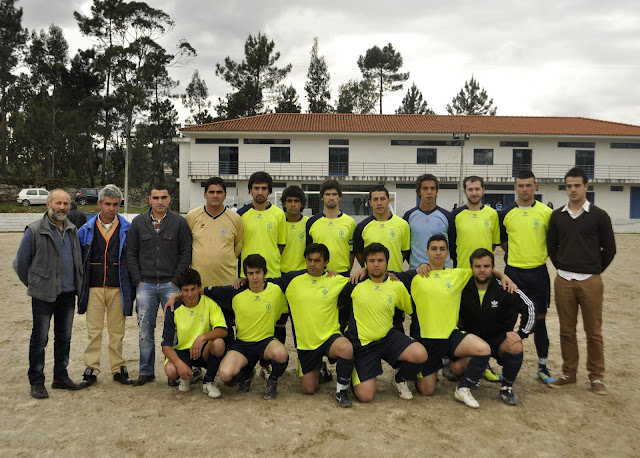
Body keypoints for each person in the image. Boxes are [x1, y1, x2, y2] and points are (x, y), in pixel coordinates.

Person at [395, 234, 515, 409]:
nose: (438, 253)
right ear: (427, 252)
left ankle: (463, 388)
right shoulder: (415, 275)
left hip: (451, 336)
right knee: (427, 391)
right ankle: (415, 371)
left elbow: (481, 270)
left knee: (483, 349)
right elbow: (388, 275)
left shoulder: (458, 274)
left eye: (442, 249)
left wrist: (502, 275)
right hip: (427, 341)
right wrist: (363, 271)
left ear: (447, 253)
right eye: (434, 249)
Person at [168, 255, 289, 400]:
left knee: (281, 354)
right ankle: (247, 374)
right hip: (243, 344)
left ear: (265, 273)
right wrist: (176, 297)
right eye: (250, 273)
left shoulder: (276, 288)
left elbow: (300, 275)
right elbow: (200, 290)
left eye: (258, 272)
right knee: (225, 375)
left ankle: (273, 380)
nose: (255, 277)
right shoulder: (235, 291)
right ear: (245, 275)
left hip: (266, 341)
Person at [547, 167, 616, 395]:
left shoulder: (599, 216)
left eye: (577, 185)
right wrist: (562, 267)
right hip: (564, 280)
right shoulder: (557, 216)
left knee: (593, 331)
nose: (573, 189)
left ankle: (596, 377)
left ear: (586, 186)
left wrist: (594, 270)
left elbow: (610, 249)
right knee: (566, 331)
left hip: (590, 281)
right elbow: (552, 247)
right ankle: (569, 373)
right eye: (569, 186)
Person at [13, 189, 85, 399]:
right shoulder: (34, 230)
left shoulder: (72, 230)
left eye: (65, 204)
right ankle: (36, 382)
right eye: (58, 203)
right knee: (40, 339)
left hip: (68, 295)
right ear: (48, 205)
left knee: (64, 338)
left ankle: (60, 377)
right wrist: (35, 285)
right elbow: (20, 263)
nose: (62, 207)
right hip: (43, 296)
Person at [270, 243, 355, 407]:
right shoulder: (292, 279)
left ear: (326, 262)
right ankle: (321, 369)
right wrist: (244, 280)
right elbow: (265, 282)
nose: (312, 264)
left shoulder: (336, 280)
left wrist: (363, 270)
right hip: (306, 344)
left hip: (329, 337)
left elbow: (360, 281)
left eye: (317, 260)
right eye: (309, 260)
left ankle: (341, 391)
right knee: (308, 389)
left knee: (346, 348)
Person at [343, 243, 427, 402]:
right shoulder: (355, 282)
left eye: (380, 260)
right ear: (365, 264)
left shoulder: (396, 285)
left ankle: (399, 378)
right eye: (372, 260)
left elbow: (409, 309)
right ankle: (357, 369)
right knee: (365, 396)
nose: (376, 264)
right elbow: (339, 305)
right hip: (363, 345)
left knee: (420, 354)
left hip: (387, 338)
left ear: (387, 263)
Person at [127, 183, 192, 386]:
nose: (160, 201)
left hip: (170, 285)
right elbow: (131, 253)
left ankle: (173, 372)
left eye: (164, 197)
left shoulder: (179, 223)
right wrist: (138, 280)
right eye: (155, 198)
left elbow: (186, 253)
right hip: (145, 285)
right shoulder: (138, 222)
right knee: (145, 330)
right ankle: (146, 371)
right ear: (149, 200)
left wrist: (175, 280)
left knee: (174, 330)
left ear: (169, 199)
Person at [499, 170, 556, 383]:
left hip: (538, 273)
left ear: (535, 186)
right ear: (515, 187)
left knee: (539, 321)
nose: (525, 189)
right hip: (513, 273)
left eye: (528, 185)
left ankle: (543, 366)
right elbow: (503, 242)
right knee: (508, 321)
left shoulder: (547, 213)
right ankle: (505, 367)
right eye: (521, 185)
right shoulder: (505, 214)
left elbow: (552, 242)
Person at [459, 248, 535, 405]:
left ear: (493, 267)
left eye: (486, 266)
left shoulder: (505, 287)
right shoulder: (461, 286)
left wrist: (520, 334)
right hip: (472, 341)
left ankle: (506, 387)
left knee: (515, 346)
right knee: (455, 369)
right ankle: (476, 373)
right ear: (471, 267)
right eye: (478, 266)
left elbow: (529, 307)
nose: (482, 270)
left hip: (497, 339)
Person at [77, 184, 134, 387]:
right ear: (99, 204)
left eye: (115, 204)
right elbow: (79, 260)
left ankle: (118, 368)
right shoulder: (85, 230)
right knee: (94, 331)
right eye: (107, 204)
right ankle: (91, 368)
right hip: (93, 287)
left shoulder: (128, 229)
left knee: (117, 331)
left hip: (117, 287)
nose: (111, 208)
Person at [237, 171, 287, 380]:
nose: (260, 192)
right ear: (250, 190)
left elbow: (280, 245)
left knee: (278, 322)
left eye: (264, 188)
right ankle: (247, 366)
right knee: (247, 322)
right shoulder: (240, 214)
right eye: (256, 188)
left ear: (269, 191)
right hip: (247, 277)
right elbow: (237, 246)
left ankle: (267, 365)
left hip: (273, 275)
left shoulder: (278, 214)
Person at [161, 268, 228, 398]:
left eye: (193, 289)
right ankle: (188, 374)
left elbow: (223, 330)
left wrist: (202, 337)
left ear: (199, 288)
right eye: (186, 290)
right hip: (182, 352)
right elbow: (165, 346)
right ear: (180, 291)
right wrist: (179, 364)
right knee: (170, 371)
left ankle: (208, 381)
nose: (190, 294)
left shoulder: (209, 303)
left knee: (219, 343)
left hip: (202, 350)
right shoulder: (174, 309)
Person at [354, 185, 410, 331]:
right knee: (373, 320)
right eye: (375, 199)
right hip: (372, 280)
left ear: (388, 200)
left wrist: (392, 269)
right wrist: (368, 268)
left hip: (395, 280)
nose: (379, 203)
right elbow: (359, 252)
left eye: (382, 199)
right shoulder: (362, 226)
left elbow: (405, 251)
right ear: (370, 202)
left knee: (396, 323)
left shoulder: (402, 225)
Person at [186, 177, 243, 288]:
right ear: (205, 195)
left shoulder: (235, 219)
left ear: (225, 195)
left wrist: (221, 257)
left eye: (219, 192)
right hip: (198, 285)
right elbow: (186, 246)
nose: (215, 195)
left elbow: (238, 246)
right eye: (211, 192)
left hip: (226, 283)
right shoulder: (192, 216)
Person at [277, 185, 309, 346]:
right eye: (289, 201)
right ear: (284, 203)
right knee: (279, 320)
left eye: (296, 201)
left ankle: (302, 358)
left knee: (300, 321)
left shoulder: (309, 224)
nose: (293, 204)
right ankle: (278, 357)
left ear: (302, 203)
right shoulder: (278, 222)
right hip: (280, 276)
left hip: (301, 278)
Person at [403, 174, 455, 270]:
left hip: (443, 272)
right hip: (417, 272)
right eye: (425, 188)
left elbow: (452, 246)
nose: (429, 192)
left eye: (432, 188)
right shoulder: (409, 216)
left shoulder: (447, 216)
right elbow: (405, 248)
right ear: (419, 192)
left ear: (436, 191)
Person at [451, 176, 500, 269]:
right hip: (462, 269)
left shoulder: (492, 214)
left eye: (477, 189)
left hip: (484, 270)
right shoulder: (455, 215)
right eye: (470, 189)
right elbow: (451, 244)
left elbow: (493, 243)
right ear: (464, 191)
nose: (474, 193)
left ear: (483, 190)